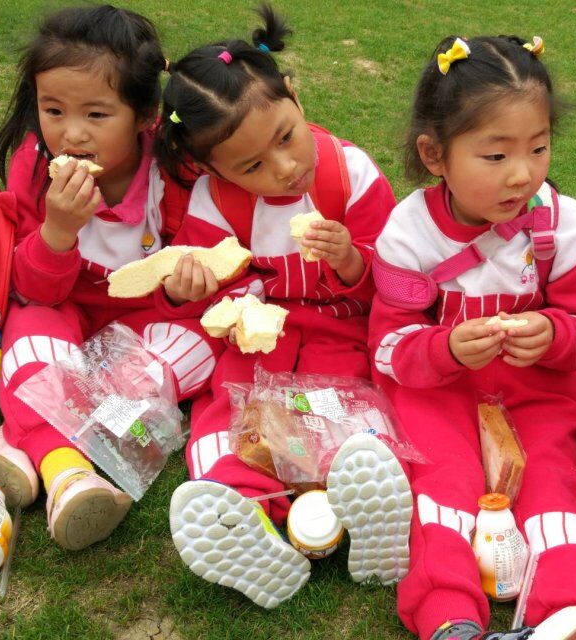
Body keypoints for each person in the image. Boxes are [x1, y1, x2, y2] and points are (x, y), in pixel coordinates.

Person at [156, 6, 408, 609]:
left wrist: (351, 260)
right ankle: (238, 511)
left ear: (294, 95)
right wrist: (195, 290)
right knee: (230, 407)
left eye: (287, 137)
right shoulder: (214, 201)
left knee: (343, 404)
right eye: (252, 166)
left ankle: (353, 499)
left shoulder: (349, 173)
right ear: (211, 168)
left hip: (341, 329)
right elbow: (213, 282)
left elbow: (399, 281)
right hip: (260, 340)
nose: (285, 167)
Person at [369, 35, 576, 640]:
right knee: (442, 484)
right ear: (435, 154)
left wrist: (552, 334)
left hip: (539, 396)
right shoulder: (408, 233)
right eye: (496, 155)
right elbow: (390, 348)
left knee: (556, 484)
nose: (522, 173)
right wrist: (445, 348)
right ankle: (448, 614)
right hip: (441, 396)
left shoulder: (568, 228)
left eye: (539, 148)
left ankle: (570, 610)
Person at [0, 5, 219, 551]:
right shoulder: (35, 168)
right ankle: (67, 474)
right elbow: (35, 290)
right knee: (31, 334)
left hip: (149, 320)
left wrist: (185, 292)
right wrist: (57, 231)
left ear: (145, 114)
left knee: (200, 348)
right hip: (67, 308)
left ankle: (25, 438)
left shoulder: (177, 173)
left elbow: (195, 281)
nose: (72, 133)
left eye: (97, 115)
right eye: (53, 110)